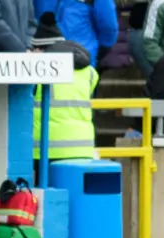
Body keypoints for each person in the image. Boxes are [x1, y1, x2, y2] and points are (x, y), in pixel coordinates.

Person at [29, 13, 99, 185]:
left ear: (41, 49)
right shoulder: (90, 71)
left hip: (46, 150)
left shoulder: (39, 69)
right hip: (83, 148)